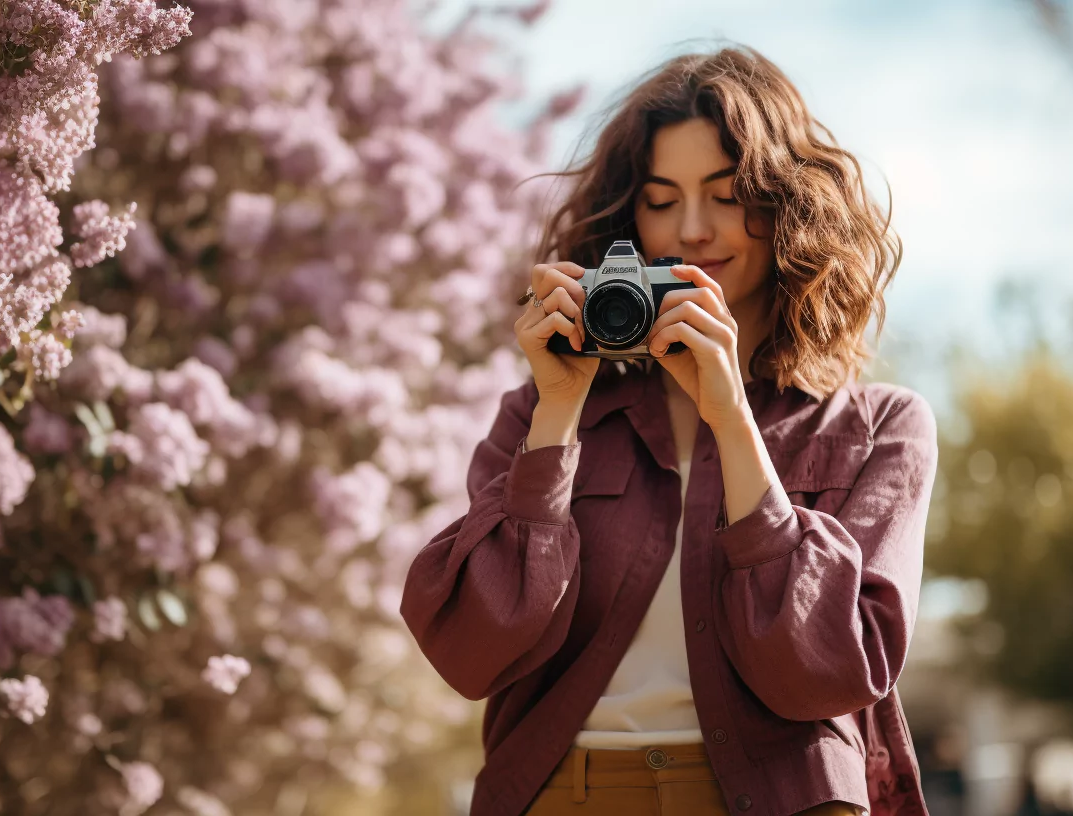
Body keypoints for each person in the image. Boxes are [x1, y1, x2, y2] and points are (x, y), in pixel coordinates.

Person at [400, 45, 938, 816]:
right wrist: (557, 412)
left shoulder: (881, 427)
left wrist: (730, 415)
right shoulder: (540, 413)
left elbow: (832, 668)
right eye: (660, 201)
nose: (691, 228)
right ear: (629, 220)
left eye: (726, 195)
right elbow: (472, 649)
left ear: (786, 203)